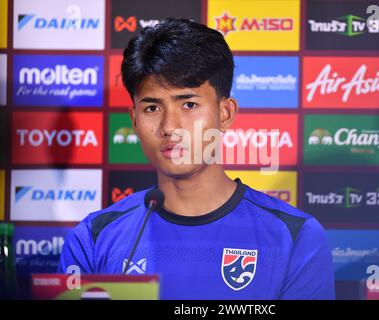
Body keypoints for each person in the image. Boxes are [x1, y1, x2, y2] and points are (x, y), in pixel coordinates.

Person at [58, 18, 335, 299]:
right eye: (152, 107)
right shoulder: (93, 237)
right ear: (134, 120)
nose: (169, 127)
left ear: (225, 113)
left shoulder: (295, 237)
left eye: (189, 104)